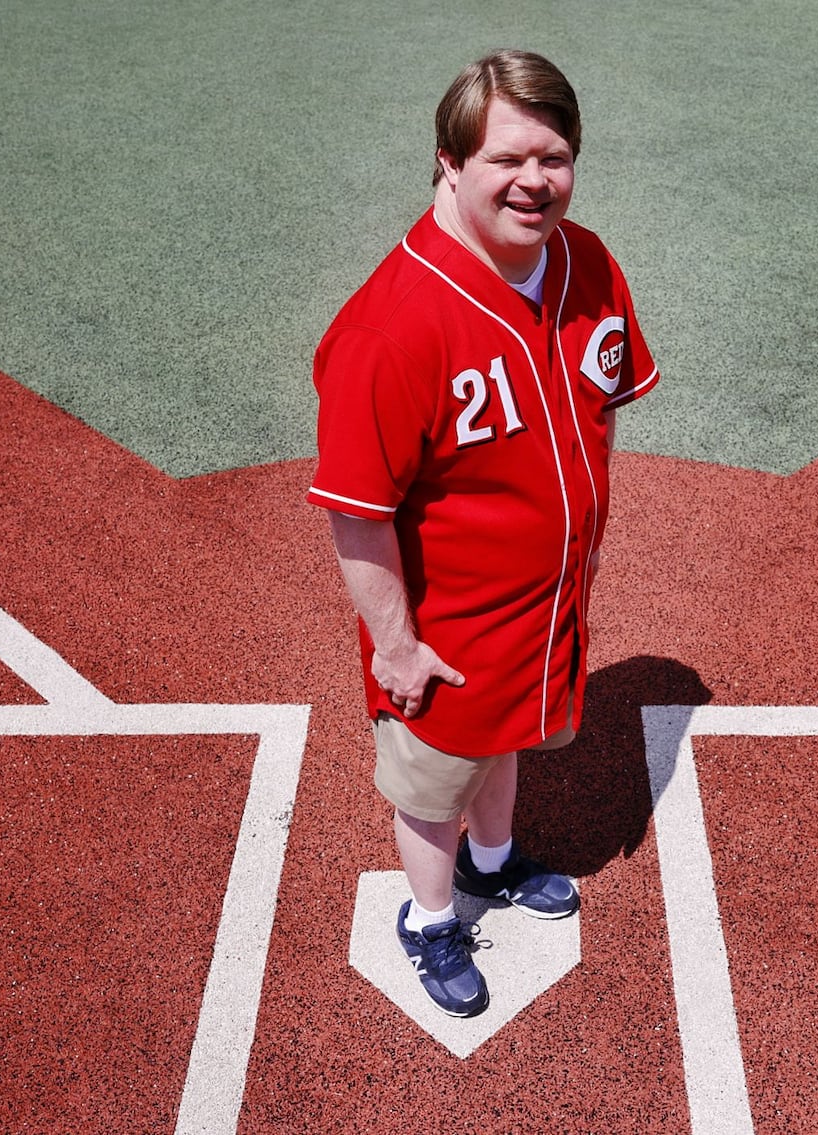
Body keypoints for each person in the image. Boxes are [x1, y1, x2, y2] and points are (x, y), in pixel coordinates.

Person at [308, 49, 659, 1018]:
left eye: (553, 156)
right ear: (448, 165)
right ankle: (429, 921)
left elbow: (600, 400)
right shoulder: (392, 329)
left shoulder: (586, 264)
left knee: (509, 740)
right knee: (432, 782)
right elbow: (356, 508)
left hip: (546, 602)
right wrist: (397, 644)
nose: (533, 181)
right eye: (506, 159)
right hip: (445, 625)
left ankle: (495, 864)